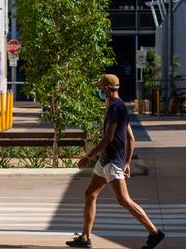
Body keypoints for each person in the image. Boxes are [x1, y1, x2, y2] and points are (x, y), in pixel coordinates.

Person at [68, 74, 165, 249]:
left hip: (111, 160)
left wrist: (88, 156)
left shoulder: (115, 107)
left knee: (123, 200)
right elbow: (131, 138)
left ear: (106, 88)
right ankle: (85, 238)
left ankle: (154, 232)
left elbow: (108, 138)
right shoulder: (119, 106)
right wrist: (127, 162)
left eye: (100, 87)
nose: (99, 90)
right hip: (107, 161)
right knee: (90, 194)